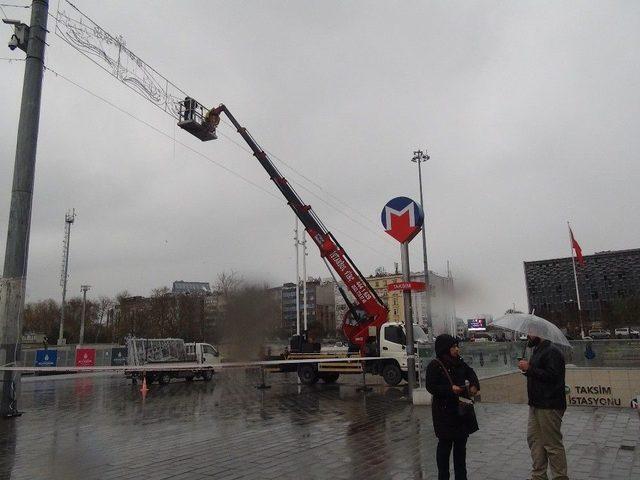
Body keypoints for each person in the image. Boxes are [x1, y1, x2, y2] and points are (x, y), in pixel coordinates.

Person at [426, 334, 480, 480]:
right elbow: (431, 387)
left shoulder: (459, 362)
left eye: (457, 346)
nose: (457, 349)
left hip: (460, 412)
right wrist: (450, 389)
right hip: (444, 413)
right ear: (445, 349)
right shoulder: (435, 365)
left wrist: (474, 384)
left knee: (460, 450)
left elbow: (470, 372)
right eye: (454, 347)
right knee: (444, 448)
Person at [518, 335, 568, 480]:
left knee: (552, 444)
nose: (528, 335)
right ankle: (538, 476)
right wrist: (527, 370)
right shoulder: (538, 351)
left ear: (540, 333)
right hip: (536, 404)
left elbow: (553, 376)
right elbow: (538, 374)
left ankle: (560, 477)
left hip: (549, 405)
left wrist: (529, 369)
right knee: (535, 441)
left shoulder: (552, 351)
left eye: (530, 332)